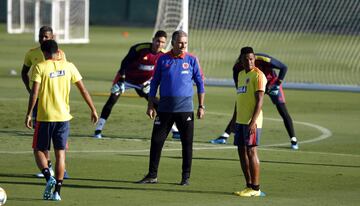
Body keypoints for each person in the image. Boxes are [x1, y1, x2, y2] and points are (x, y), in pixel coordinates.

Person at [25, 40, 98, 201]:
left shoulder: (40, 67)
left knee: (38, 149)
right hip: (64, 118)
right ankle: (57, 192)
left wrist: (29, 114)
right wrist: (93, 109)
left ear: (43, 53)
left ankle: (47, 176)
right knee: (61, 155)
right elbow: (83, 89)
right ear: (58, 51)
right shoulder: (69, 66)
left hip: (45, 118)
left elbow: (34, 93)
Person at [137, 30, 205, 186]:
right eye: (180, 43)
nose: (183, 46)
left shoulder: (192, 60)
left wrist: (201, 106)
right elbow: (155, 82)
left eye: (185, 43)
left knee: (187, 144)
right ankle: (152, 175)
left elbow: (200, 83)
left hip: (185, 109)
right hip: (164, 109)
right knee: (156, 141)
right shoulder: (162, 59)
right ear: (173, 43)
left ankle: (185, 178)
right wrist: (150, 104)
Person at [93, 30, 180, 139]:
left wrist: (149, 83)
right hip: (125, 79)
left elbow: (162, 72)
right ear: (153, 40)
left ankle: (175, 131)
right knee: (112, 100)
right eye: (158, 41)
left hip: (142, 83)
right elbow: (124, 63)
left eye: (163, 42)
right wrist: (122, 79)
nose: (160, 44)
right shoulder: (139, 48)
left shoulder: (163, 55)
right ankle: (98, 130)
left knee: (157, 104)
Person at [210, 53, 299, 150]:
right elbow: (238, 87)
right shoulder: (237, 67)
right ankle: (225, 136)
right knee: (241, 108)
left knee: (283, 111)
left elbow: (284, 67)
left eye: (249, 60)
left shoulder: (262, 59)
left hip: (271, 85)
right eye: (244, 61)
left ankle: (293, 140)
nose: (247, 63)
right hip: (254, 86)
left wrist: (277, 84)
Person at [21, 26, 70, 178]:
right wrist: (30, 90)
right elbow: (24, 72)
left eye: (46, 37)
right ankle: (48, 167)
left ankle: (63, 170)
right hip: (40, 102)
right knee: (43, 138)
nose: (43, 39)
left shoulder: (60, 53)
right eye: (40, 36)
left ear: (52, 37)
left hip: (57, 102)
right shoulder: (31, 53)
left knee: (59, 140)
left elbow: (64, 74)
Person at [233, 47, 266, 197]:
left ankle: (256, 188)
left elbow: (260, 101)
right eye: (246, 59)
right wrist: (234, 119)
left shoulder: (258, 75)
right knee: (241, 152)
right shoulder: (240, 74)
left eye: (251, 58)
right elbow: (239, 99)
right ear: (241, 60)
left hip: (252, 121)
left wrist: (253, 121)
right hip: (240, 121)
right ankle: (248, 185)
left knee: (251, 151)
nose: (249, 61)